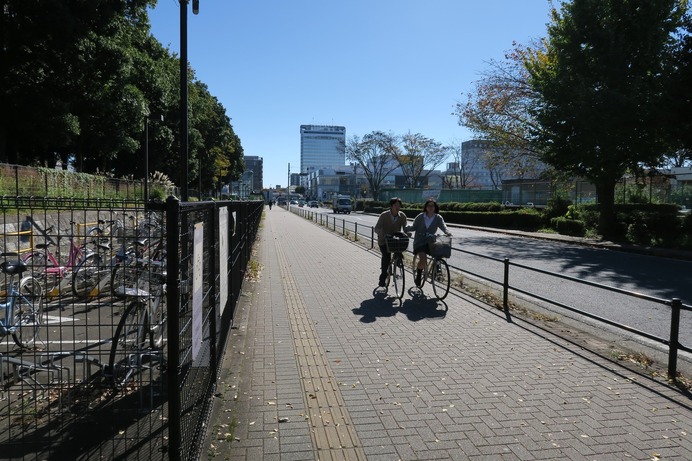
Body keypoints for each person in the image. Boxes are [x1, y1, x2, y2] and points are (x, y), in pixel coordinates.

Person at [409, 198, 452, 287]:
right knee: (423, 259)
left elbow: (443, 226)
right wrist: (405, 228)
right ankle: (419, 274)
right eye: (429, 206)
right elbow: (414, 226)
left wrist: (447, 232)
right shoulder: (421, 216)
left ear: (435, 207)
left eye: (433, 206)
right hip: (420, 241)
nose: (431, 207)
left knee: (439, 250)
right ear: (426, 207)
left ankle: (437, 268)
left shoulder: (438, 217)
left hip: (431, 241)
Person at [374, 197, 409, 287]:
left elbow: (405, 227)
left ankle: (398, 260)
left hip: (395, 240)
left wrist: (408, 232)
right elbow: (377, 228)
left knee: (399, 250)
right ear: (391, 206)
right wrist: (381, 233)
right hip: (384, 240)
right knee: (386, 258)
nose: (397, 207)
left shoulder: (402, 216)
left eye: (399, 205)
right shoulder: (384, 215)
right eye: (395, 205)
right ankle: (383, 278)